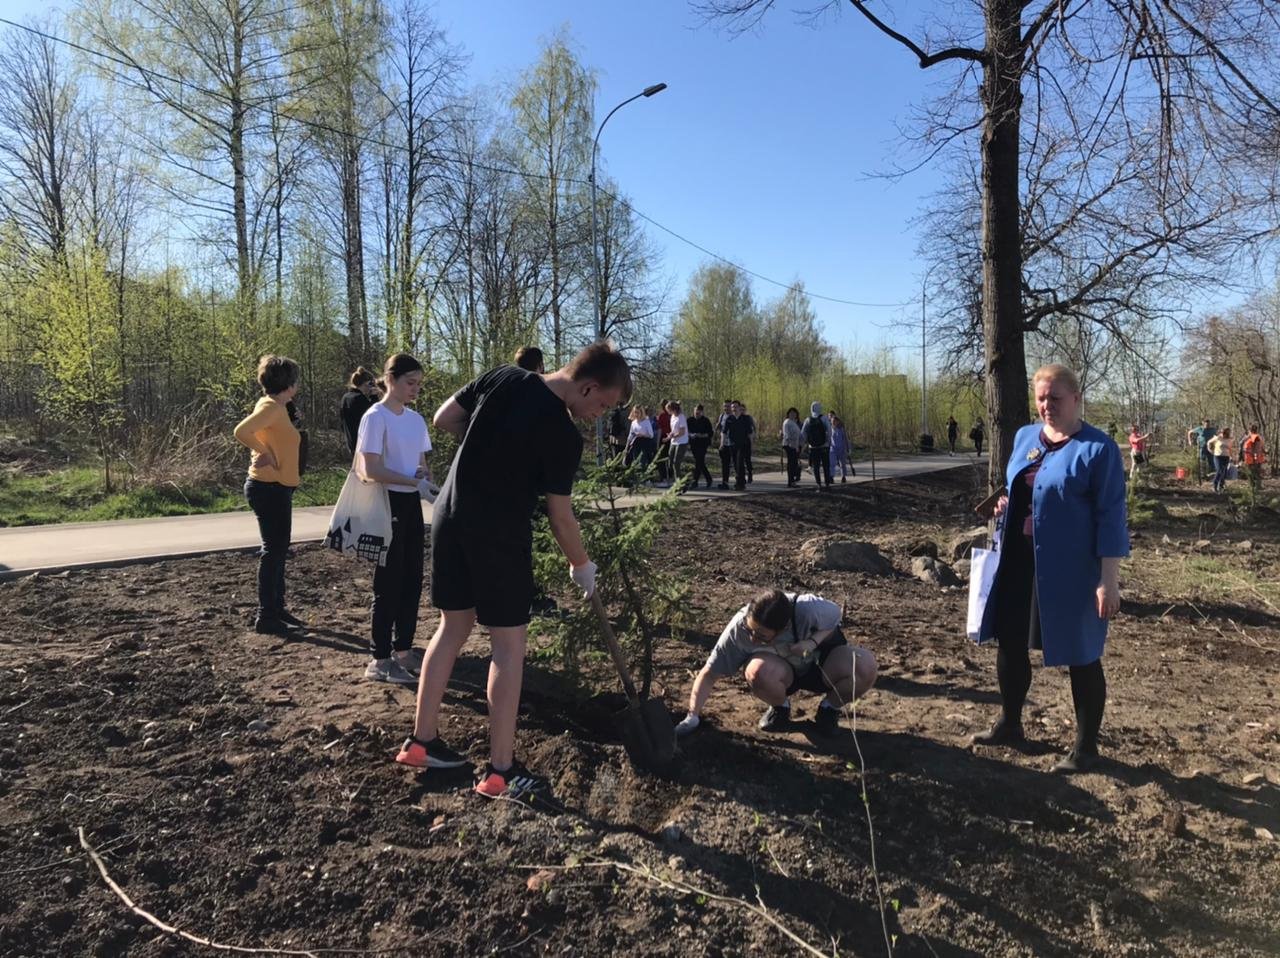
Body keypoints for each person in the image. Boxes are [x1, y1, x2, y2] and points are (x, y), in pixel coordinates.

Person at [396, 342, 631, 804]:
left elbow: (444, 418)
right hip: (499, 534)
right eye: (603, 405)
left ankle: (421, 743)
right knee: (508, 646)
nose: (598, 416)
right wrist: (581, 565)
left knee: (452, 627)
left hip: (449, 517)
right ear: (588, 387)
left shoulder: (503, 376)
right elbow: (560, 517)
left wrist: (488, 447)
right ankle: (501, 772)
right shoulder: (562, 436)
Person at [972, 363, 1128, 774]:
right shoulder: (1025, 437)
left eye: (1055, 398)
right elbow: (1023, 487)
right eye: (1041, 398)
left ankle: (1086, 748)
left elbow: (1111, 519)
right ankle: (1010, 723)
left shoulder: (1098, 450)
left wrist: (1108, 581)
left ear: (1076, 398)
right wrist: (1007, 503)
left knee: (1082, 654)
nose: (1046, 405)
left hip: (1073, 571)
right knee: (1010, 641)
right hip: (1018, 562)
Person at [673, 588, 878, 737]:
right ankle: (780, 708)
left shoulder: (809, 609)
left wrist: (812, 642)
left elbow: (834, 618)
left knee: (864, 666)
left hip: (820, 665)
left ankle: (828, 710)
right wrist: (692, 716)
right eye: (750, 630)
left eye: (762, 636)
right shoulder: (739, 628)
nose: (752, 639)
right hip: (781, 674)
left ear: (783, 628)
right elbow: (710, 672)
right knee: (757, 671)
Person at [356, 354, 435, 685]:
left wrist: (426, 482)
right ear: (390, 380)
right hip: (387, 502)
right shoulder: (376, 417)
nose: (415, 389)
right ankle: (380, 658)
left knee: (412, 577)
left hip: (410, 504)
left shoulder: (416, 420)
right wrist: (412, 483)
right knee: (388, 583)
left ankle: (403, 649)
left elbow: (420, 464)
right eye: (409, 383)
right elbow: (371, 469)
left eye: (418, 384)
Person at [234, 355, 304, 637]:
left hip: (276, 487)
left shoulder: (277, 407)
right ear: (289, 383)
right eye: (295, 381)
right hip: (268, 487)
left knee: (278, 550)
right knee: (273, 551)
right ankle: (266, 616)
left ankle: (277, 608)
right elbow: (241, 431)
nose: (297, 386)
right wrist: (264, 452)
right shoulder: (270, 408)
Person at [340, 367, 380, 455]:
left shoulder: (346, 397)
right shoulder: (359, 398)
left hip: (351, 443)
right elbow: (375, 416)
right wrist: (374, 397)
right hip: (363, 446)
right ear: (366, 383)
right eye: (371, 384)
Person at [803, 402, 832, 489]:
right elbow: (829, 431)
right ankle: (827, 484)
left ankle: (819, 484)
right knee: (826, 466)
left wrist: (805, 443)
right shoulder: (824, 418)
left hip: (813, 447)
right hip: (824, 446)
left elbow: (803, 433)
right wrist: (828, 442)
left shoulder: (808, 419)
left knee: (816, 466)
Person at [724, 400, 752, 490]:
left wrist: (751, 444)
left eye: (735, 407)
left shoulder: (745, 419)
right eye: (732, 407)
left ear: (739, 408)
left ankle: (739, 483)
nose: (734, 409)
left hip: (743, 444)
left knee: (740, 462)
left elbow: (750, 433)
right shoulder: (729, 419)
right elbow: (724, 432)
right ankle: (742, 481)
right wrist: (722, 443)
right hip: (732, 444)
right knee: (736, 464)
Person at [686, 403, 715, 489]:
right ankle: (708, 478)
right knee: (700, 462)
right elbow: (686, 430)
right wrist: (690, 434)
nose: (696, 414)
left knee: (699, 461)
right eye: (695, 412)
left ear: (702, 412)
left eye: (698, 412)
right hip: (693, 443)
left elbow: (710, 433)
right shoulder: (690, 420)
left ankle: (695, 481)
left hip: (703, 443)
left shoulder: (706, 421)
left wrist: (701, 435)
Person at [625, 404, 655, 471]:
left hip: (645, 444)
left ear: (641, 413)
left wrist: (643, 435)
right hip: (636, 443)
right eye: (635, 412)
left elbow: (651, 435)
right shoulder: (633, 423)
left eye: (638, 412)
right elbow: (630, 435)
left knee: (643, 461)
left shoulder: (646, 422)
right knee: (635, 460)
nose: (636, 414)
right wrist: (626, 447)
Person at [667, 400, 689, 488]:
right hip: (674, 442)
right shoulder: (672, 417)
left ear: (673, 409)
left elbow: (682, 432)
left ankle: (680, 484)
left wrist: (673, 436)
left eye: (668, 409)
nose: (667, 411)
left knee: (676, 463)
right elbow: (673, 430)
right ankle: (678, 481)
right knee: (670, 462)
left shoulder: (681, 417)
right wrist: (670, 435)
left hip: (682, 442)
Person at [1242, 423, 1267, 496]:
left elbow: (1255, 448)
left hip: (1253, 459)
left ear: (1250, 430)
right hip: (1253, 458)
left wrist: (1254, 457)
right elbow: (1261, 448)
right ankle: (1254, 486)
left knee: (1253, 473)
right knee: (1254, 473)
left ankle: (1255, 487)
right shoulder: (1257, 437)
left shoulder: (1254, 437)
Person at [781, 407, 803, 487]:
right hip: (789, 445)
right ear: (788, 414)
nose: (793, 414)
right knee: (791, 463)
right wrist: (792, 445)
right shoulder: (787, 422)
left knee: (794, 463)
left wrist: (799, 445)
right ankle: (791, 482)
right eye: (791, 413)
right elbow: (787, 434)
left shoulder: (794, 423)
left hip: (794, 446)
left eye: (794, 413)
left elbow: (798, 435)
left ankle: (792, 481)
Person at [716, 400, 735, 490]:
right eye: (724, 406)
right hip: (724, 443)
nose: (726, 408)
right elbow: (720, 428)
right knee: (725, 464)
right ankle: (725, 482)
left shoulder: (734, 417)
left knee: (735, 463)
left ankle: (740, 481)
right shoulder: (722, 416)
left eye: (728, 406)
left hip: (732, 444)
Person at [1209, 426, 1234, 493]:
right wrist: (1210, 450)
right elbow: (1209, 442)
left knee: (1224, 472)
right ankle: (1214, 485)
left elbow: (1230, 449)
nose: (1223, 434)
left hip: (1226, 457)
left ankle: (1221, 486)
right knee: (1219, 470)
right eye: (1222, 432)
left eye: (1225, 433)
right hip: (1218, 456)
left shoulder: (1229, 439)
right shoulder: (1217, 438)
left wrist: (1232, 457)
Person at [829, 413, 853, 483]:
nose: (833, 422)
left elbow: (846, 439)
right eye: (832, 421)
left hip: (842, 449)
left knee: (842, 464)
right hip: (833, 449)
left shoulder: (841, 429)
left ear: (838, 422)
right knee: (832, 463)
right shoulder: (830, 429)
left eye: (835, 421)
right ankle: (831, 477)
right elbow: (828, 439)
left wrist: (849, 448)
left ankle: (843, 476)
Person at [655, 399, 673, 483]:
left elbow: (660, 429)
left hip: (664, 438)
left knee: (661, 459)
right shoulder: (672, 415)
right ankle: (670, 476)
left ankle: (664, 477)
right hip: (672, 438)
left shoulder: (662, 416)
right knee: (670, 458)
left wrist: (657, 442)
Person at [739, 402, 756, 483]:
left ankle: (750, 473)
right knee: (740, 460)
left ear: (745, 410)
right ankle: (741, 476)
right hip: (739, 442)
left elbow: (752, 431)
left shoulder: (748, 418)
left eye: (743, 410)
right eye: (740, 410)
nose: (741, 411)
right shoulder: (736, 418)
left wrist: (752, 443)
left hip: (747, 441)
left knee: (747, 459)